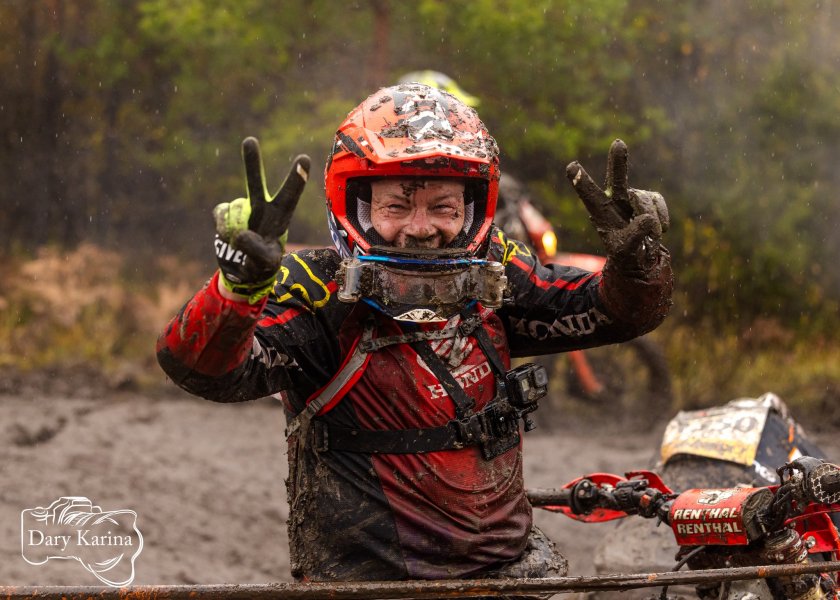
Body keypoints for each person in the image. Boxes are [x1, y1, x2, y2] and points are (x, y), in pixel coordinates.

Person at [156, 82, 673, 583]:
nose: (421, 229)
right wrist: (237, 290)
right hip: (372, 586)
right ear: (355, 207)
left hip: (509, 574)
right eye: (396, 207)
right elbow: (202, 371)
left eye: (443, 207)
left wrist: (638, 263)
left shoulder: (495, 274)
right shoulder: (318, 292)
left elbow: (614, 313)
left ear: (474, 209)